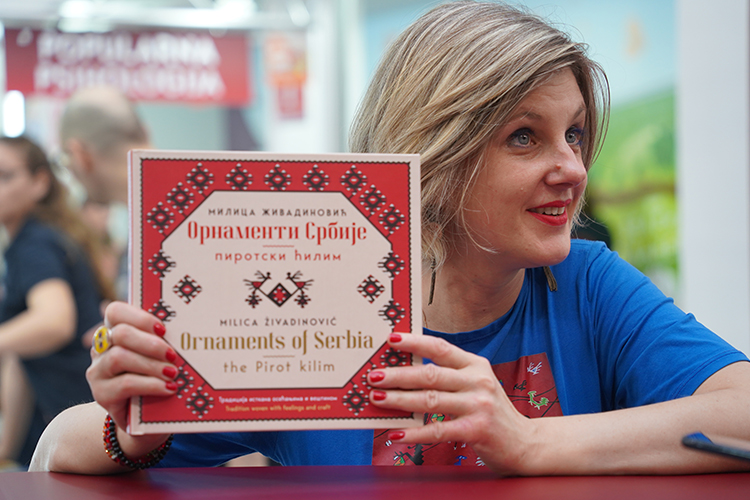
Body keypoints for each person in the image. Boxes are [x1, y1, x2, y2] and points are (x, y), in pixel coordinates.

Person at [31, 1, 750, 476]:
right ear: (433, 156)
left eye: (576, 134)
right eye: (524, 137)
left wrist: (531, 441)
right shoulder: (319, 303)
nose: (572, 167)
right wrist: (137, 428)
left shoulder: (585, 284)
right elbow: (53, 451)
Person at [0, 136, 115, 467]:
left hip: (82, 420)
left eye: (4, 176)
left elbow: (53, 322)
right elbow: (24, 355)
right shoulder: (39, 238)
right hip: (77, 417)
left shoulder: (34, 244)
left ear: (39, 182)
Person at [58, 85, 152, 300]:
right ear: (146, 132)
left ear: (80, 155)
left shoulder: (152, 228)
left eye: (65, 161)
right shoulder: (196, 204)